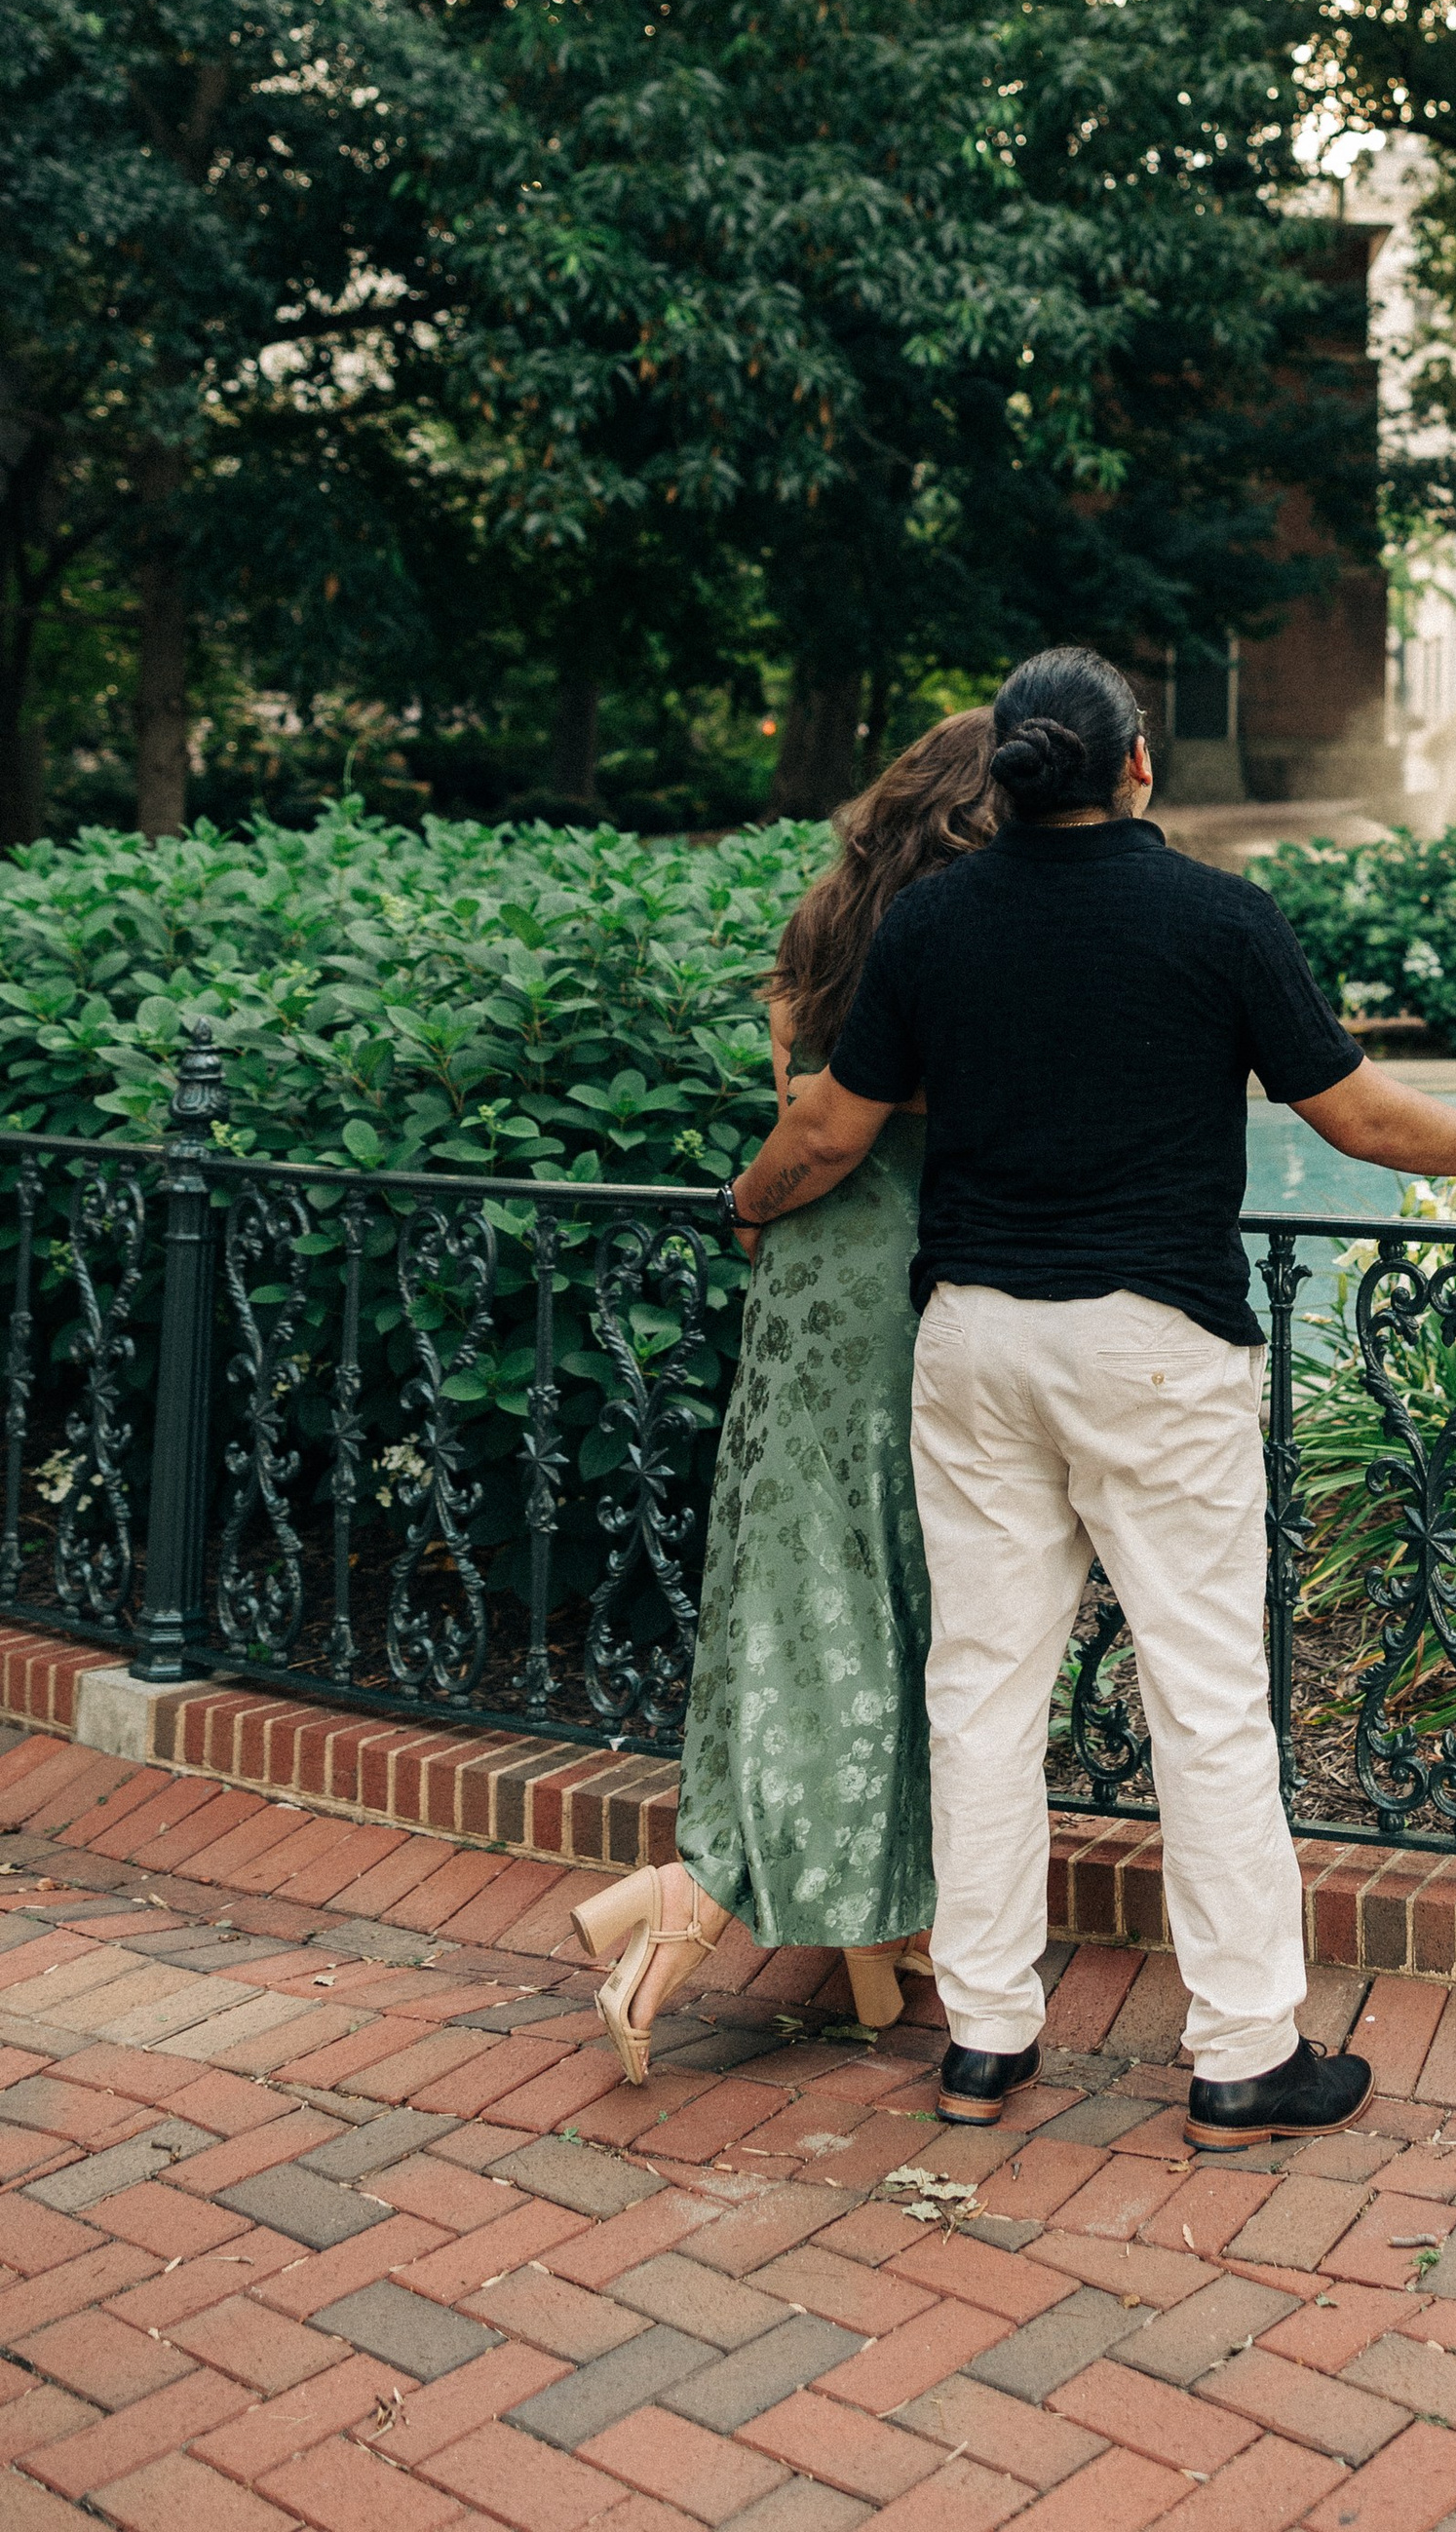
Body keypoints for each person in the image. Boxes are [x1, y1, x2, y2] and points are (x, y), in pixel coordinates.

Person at [724, 644, 1456, 2152]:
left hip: (979, 1340)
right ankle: (1245, 2057)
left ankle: (986, 2042)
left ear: (1010, 770)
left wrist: (745, 1206)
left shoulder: (931, 923)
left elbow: (828, 1131)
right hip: (1152, 1346)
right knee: (1202, 1700)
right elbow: (1357, 1119)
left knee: (980, 1695)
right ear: (1138, 763)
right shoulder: (1219, 917)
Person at [568, 710, 998, 2081]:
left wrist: (751, 1210)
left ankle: (880, 1930)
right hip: (904, 1297)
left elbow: (795, 1111)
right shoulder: (962, 943)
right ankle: (693, 1899)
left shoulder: (828, 931)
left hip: (806, 1292)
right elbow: (837, 1131)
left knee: (816, 1587)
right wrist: (755, 1195)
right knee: (879, 1604)